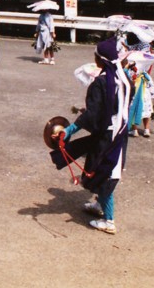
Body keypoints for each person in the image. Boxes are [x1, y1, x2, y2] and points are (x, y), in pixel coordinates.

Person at [52, 37, 131, 235]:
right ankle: (98, 205)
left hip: (107, 137)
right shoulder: (125, 80)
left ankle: (109, 220)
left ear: (100, 60)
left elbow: (92, 115)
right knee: (104, 170)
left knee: (103, 174)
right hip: (119, 133)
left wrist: (69, 130)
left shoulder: (100, 83)